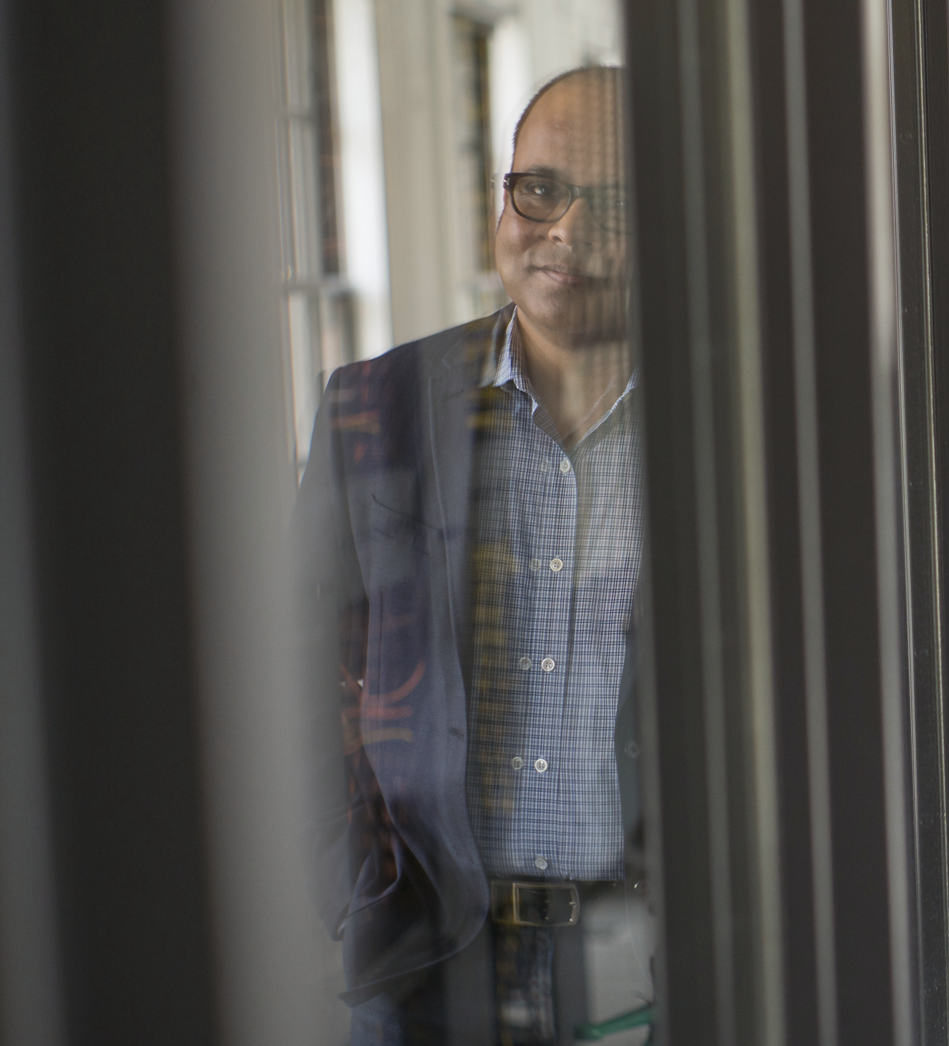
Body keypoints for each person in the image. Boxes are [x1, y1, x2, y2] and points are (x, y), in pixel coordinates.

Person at [296, 66, 653, 1045]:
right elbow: (285, 672)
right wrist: (348, 886)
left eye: (612, 203)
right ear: (504, 194)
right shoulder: (378, 406)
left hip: (655, 966)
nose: (564, 231)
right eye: (538, 189)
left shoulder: (726, 429)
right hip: (424, 963)